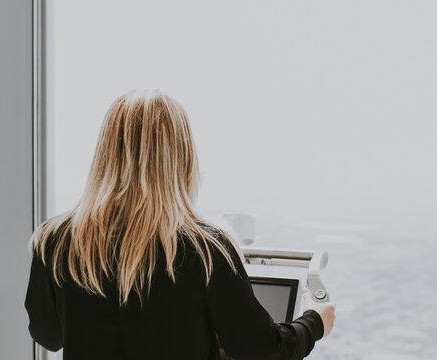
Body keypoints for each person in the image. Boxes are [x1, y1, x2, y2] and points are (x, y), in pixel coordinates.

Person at [24, 89, 336, 360]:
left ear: (105, 152)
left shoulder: (55, 240)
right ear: (181, 156)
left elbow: (49, 335)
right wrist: (314, 323)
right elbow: (259, 348)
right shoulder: (205, 250)